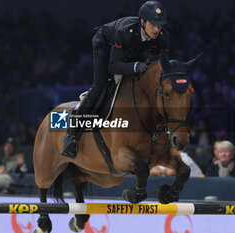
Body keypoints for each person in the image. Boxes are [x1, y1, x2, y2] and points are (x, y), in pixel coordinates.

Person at [62, 1, 169, 158]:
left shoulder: (162, 36)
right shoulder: (126, 31)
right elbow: (113, 66)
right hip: (105, 45)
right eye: (153, 24)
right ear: (142, 22)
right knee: (100, 87)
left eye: (160, 25)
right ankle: (71, 135)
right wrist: (134, 66)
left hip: (133, 49)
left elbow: (163, 65)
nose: (157, 29)